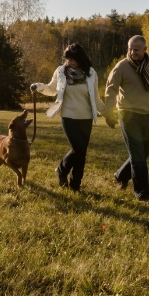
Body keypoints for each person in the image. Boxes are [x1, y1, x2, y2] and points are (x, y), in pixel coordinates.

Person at [30, 43, 106, 191]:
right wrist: (38, 86)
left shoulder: (91, 73)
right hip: (67, 115)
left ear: (80, 58)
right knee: (79, 148)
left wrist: (107, 114)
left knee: (82, 153)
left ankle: (75, 185)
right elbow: (52, 89)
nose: (68, 62)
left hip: (86, 118)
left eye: (72, 59)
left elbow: (96, 99)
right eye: (67, 58)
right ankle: (61, 169)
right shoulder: (61, 72)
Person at [104, 35, 149, 201]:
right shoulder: (121, 66)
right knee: (138, 157)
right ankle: (142, 195)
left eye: (136, 49)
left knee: (144, 152)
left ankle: (121, 175)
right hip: (128, 114)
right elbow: (110, 91)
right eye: (129, 49)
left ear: (145, 49)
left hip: (146, 114)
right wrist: (108, 113)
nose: (132, 52)